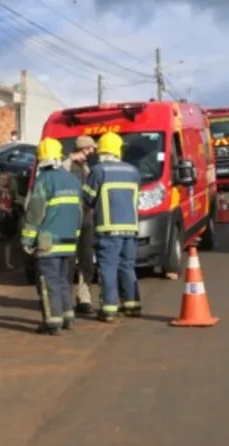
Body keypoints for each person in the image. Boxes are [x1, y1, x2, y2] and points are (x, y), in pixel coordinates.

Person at [22, 138, 83, 335]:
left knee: (48, 283)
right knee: (64, 280)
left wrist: (27, 239)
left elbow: (35, 213)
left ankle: (52, 322)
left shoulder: (44, 180)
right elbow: (79, 213)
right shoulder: (73, 179)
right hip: (69, 241)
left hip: (49, 242)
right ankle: (68, 317)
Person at [83, 132, 141, 322]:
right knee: (127, 267)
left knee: (108, 268)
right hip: (131, 229)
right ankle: (132, 305)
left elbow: (88, 198)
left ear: (102, 150)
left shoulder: (99, 171)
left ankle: (108, 309)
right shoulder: (133, 171)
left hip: (108, 230)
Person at [63, 135, 99, 315]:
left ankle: (84, 299)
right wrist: (69, 159)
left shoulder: (86, 168)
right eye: (91, 148)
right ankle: (67, 300)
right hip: (69, 219)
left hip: (86, 219)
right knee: (68, 261)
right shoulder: (66, 166)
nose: (93, 152)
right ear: (84, 149)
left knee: (86, 260)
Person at [0, 171, 17, 271]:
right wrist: (5, 209)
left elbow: (14, 201)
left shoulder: (10, 191)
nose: (4, 181)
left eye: (6, 179)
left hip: (8, 218)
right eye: (2, 179)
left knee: (8, 241)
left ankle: (7, 262)